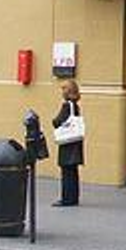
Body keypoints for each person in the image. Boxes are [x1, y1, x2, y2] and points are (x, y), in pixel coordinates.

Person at [51, 79, 84, 207]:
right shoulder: (75, 105)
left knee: (66, 171)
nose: (62, 92)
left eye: (64, 89)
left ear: (68, 91)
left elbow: (58, 121)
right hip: (75, 141)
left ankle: (66, 198)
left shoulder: (67, 105)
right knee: (73, 171)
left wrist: (54, 121)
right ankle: (73, 197)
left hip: (68, 142)